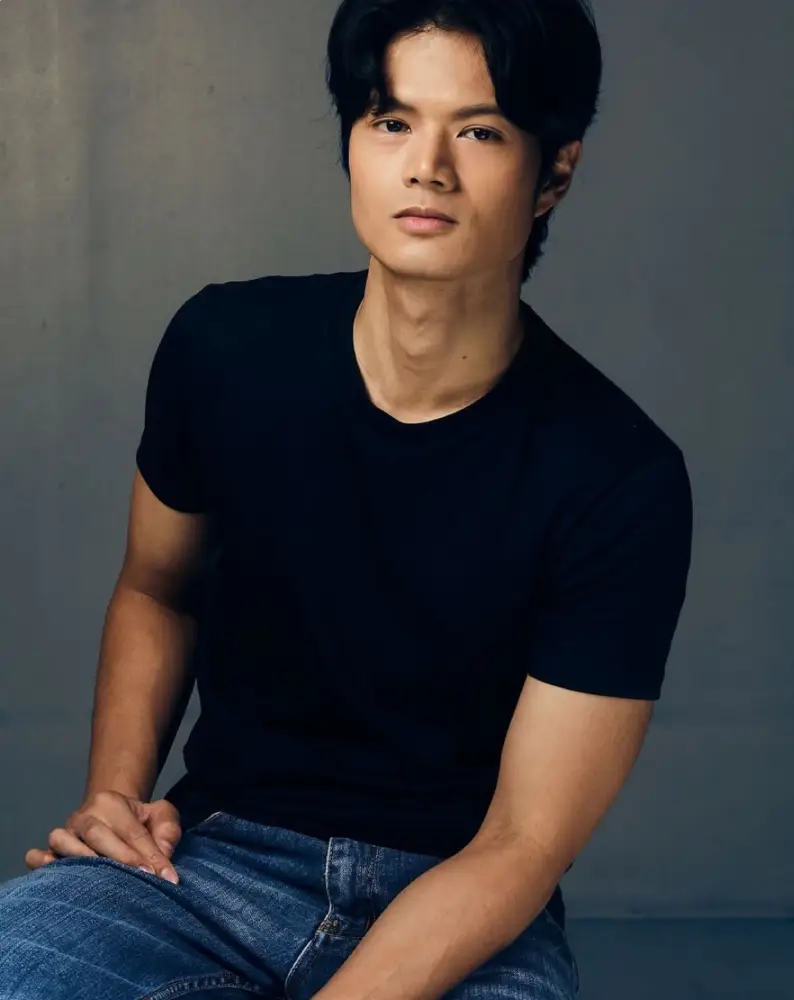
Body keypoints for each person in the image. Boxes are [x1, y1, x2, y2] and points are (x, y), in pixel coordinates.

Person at [0, 1, 693, 998]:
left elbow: (522, 840)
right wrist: (114, 794)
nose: (427, 167)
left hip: (461, 906)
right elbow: (157, 587)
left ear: (555, 172)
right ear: (354, 142)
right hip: (207, 869)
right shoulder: (223, 349)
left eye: (480, 131)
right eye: (392, 121)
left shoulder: (618, 474)